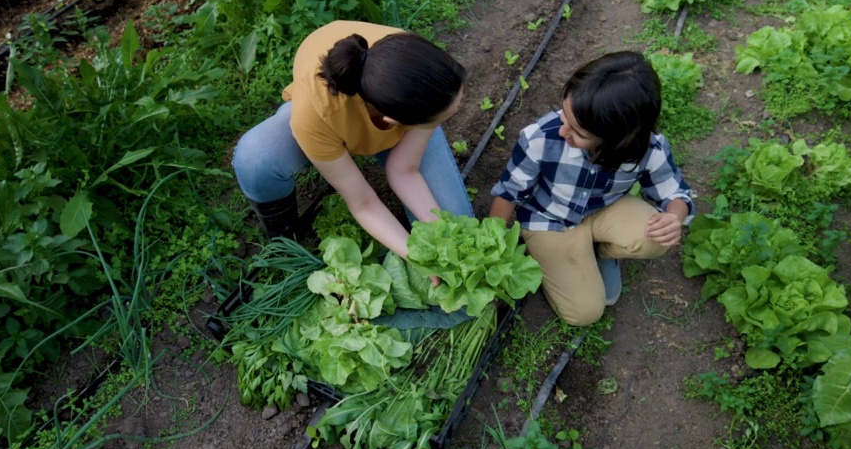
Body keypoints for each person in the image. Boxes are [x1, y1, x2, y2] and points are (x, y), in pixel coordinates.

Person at [232, 20, 473, 259]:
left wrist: (440, 232)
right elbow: (364, 203)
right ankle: (284, 239)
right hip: (328, 117)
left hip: (405, 109)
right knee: (256, 157)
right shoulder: (316, 116)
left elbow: (404, 170)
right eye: (437, 121)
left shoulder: (421, 71)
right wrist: (413, 255)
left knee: (455, 221)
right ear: (394, 122)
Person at [488, 51, 694, 326]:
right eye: (564, 116)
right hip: (550, 220)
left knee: (655, 237)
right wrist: (492, 242)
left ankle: (601, 252)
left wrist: (674, 218)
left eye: (579, 133)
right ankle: (574, 260)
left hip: (605, 209)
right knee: (585, 314)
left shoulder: (648, 149)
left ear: (618, 141)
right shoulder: (541, 137)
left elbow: (674, 193)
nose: (563, 131)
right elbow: (508, 191)